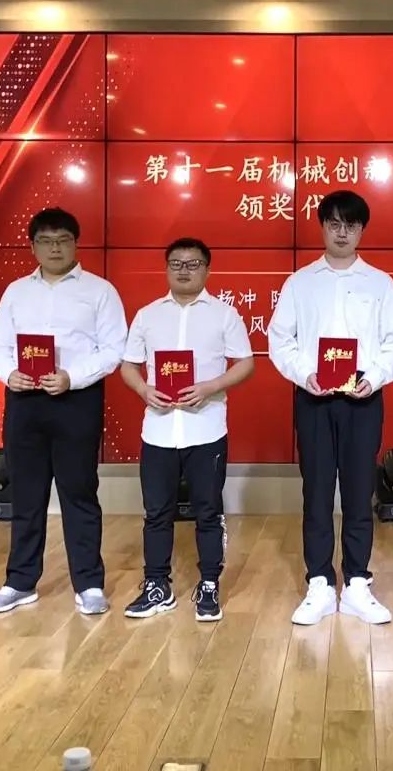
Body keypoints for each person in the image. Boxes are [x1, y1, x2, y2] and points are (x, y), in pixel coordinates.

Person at [268, 189, 393, 626]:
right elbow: (280, 339)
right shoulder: (300, 282)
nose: (342, 232)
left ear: (362, 230)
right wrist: (303, 373)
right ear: (322, 227)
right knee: (315, 491)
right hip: (314, 396)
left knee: (358, 490)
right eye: (334, 224)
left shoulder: (380, 284)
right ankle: (318, 582)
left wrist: (375, 377)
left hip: (362, 398)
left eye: (351, 225)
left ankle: (357, 584)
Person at [0, 208, 127, 616]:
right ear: (33, 247)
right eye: (46, 241)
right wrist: (8, 373)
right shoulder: (16, 292)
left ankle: (89, 583)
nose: (55, 248)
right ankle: (20, 582)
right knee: (26, 495)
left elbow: (114, 348)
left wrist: (72, 377)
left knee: (79, 492)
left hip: (75, 401)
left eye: (63, 240)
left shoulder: (99, 291)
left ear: (75, 243)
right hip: (24, 401)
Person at [120, 238, 255, 622]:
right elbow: (128, 365)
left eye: (193, 264)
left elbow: (246, 363)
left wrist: (211, 386)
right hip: (158, 431)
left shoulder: (224, 315)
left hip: (205, 430)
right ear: (166, 269)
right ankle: (156, 585)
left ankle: (209, 584)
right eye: (176, 263)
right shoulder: (148, 315)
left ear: (207, 270)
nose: (184, 270)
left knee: (208, 512)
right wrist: (144, 390)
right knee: (156, 513)